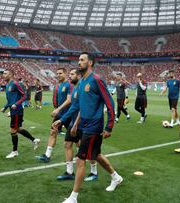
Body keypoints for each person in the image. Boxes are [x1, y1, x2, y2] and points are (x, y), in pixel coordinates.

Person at [53, 52, 123, 203]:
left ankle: (73, 197)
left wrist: (109, 126)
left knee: (80, 159)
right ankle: (115, 177)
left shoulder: (96, 80)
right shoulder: (81, 84)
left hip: (94, 125)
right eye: (78, 60)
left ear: (90, 63)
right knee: (95, 155)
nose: (79, 62)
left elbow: (109, 103)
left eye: (82, 60)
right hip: (84, 125)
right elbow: (76, 106)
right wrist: (62, 120)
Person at [56, 69, 98, 182]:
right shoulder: (75, 87)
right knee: (67, 144)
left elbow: (81, 107)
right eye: (69, 74)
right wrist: (62, 119)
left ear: (78, 76)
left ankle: (94, 172)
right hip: (73, 122)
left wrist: (74, 123)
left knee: (91, 150)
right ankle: (69, 172)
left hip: (83, 123)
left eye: (72, 74)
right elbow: (74, 106)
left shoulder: (81, 88)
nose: (70, 76)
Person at [0, 70, 40, 159]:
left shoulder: (15, 83)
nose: (3, 75)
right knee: (17, 129)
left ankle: (15, 151)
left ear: (10, 74)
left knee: (13, 130)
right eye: (3, 73)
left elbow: (24, 96)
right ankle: (34, 140)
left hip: (17, 110)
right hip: (13, 110)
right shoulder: (8, 85)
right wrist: (5, 107)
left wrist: (16, 104)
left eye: (5, 73)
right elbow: (10, 100)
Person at [37, 68, 73, 162]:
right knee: (53, 132)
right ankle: (47, 155)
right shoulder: (59, 85)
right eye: (57, 73)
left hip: (69, 115)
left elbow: (69, 100)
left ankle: (82, 155)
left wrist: (57, 109)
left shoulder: (69, 84)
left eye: (60, 73)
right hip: (60, 114)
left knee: (76, 138)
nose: (58, 75)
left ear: (65, 73)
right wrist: (57, 109)